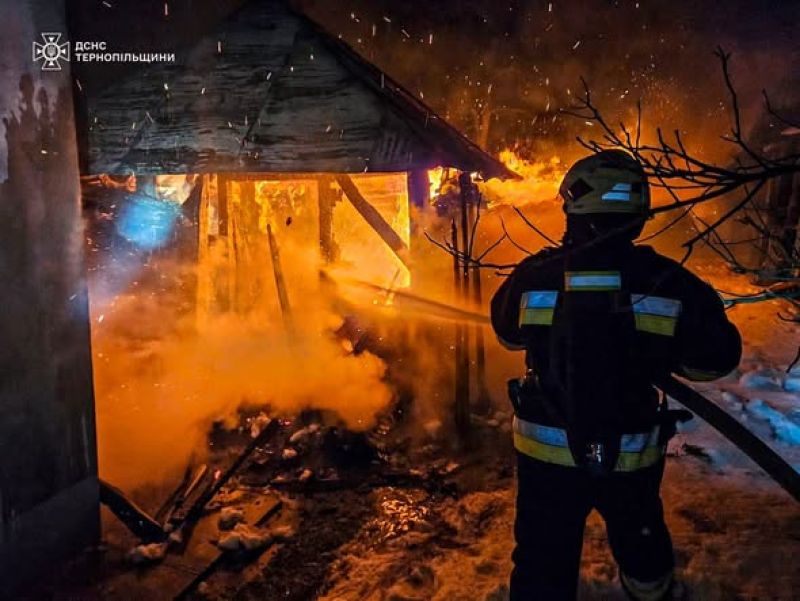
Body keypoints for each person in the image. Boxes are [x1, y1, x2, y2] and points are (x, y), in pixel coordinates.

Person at [490, 150, 742, 601]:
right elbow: (714, 361)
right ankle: (652, 592)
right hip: (630, 456)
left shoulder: (536, 275)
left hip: (547, 457)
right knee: (642, 545)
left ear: (576, 209)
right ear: (638, 216)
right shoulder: (668, 282)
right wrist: (653, 351)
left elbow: (507, 333)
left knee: (542, 564)